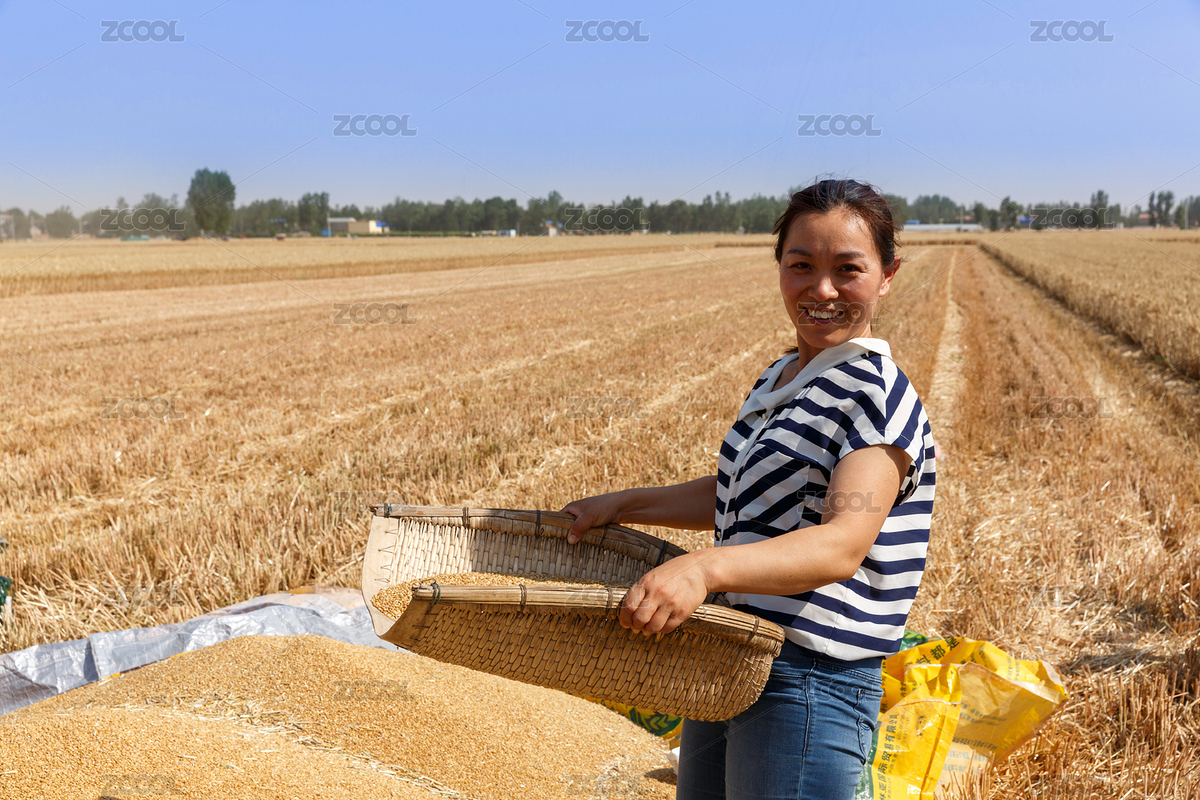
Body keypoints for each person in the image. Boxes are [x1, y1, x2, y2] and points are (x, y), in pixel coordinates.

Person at [561, 178, 936, 800]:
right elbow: (740, 494)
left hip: (809, 679)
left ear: (888, 274)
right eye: (801, 266)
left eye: (848, 270)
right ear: (780, 270)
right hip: (731, 655)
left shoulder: (875, 394)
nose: (821, 290)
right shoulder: (784, 377)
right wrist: (623, 505)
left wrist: (704, 570)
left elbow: (842, 544)